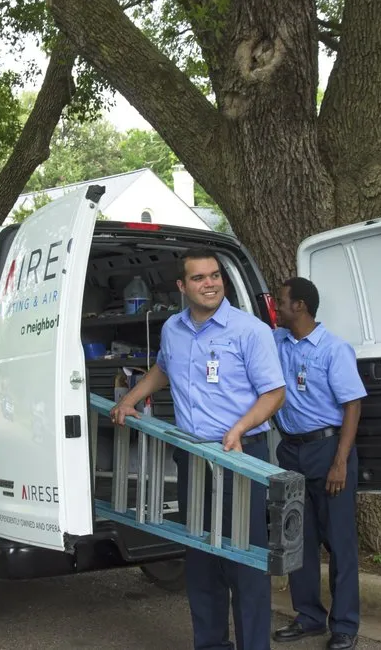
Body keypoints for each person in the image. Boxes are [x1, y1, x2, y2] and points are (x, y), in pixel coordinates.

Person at [111, 248, 286, 650]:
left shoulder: (249, 331)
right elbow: (163, 368)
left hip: (239, 457)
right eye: (199, 278)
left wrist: (239, 428)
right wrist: (129, 400)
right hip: (192, 456)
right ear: (182, 286)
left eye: (214, 275)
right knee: (202, 558)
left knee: (244, 559)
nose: (210, 284)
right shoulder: (173, 328)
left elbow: (275, 393)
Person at [270, 277, 367, 650]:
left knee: (340, 542)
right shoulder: (276, 342)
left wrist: (340, 462)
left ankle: (345, 625)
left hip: (328, 450)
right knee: (298, 538)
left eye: (281, 301)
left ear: (300, 306)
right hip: (290, 451)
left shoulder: (333, 349)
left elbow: (352, 405)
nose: (276, 307)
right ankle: (309, 617)